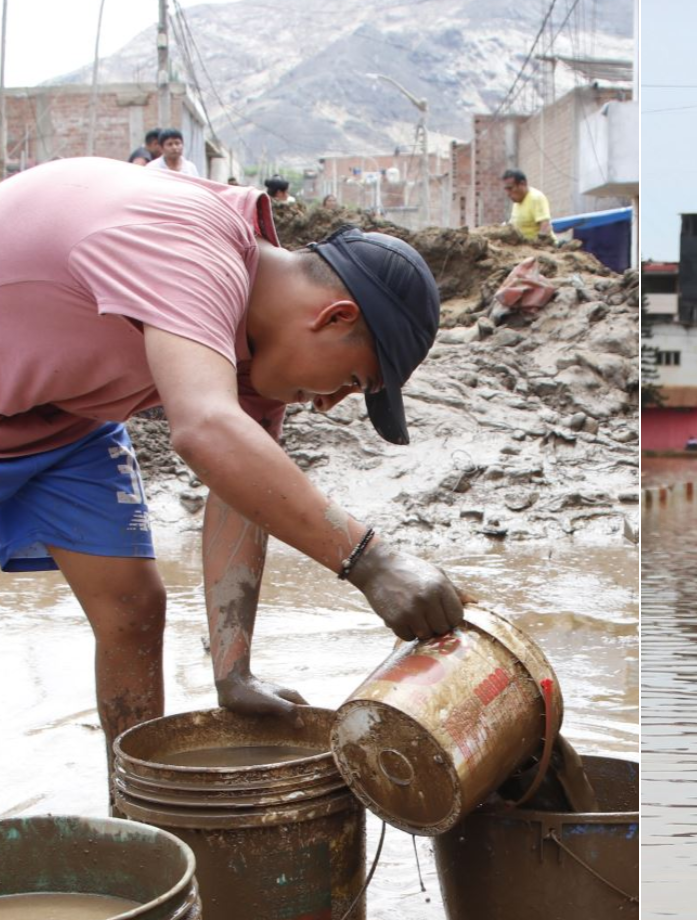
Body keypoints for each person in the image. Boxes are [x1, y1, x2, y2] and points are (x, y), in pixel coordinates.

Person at [0, 157, 463, 783]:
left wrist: (233, 670)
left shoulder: (253, 356)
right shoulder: (192, 246)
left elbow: (240, 488)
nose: (327, 404)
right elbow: (202, 429)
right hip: (28, 396)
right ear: (335, 317)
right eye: (352, 381)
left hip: (64, 418)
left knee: (134, 608)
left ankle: (137, 820)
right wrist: (371, 561)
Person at [501, 169, 552, 243]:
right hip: (523, 246)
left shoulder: (536, 198)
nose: (508, 193)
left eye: (510, 188)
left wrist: (539, 244)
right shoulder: (517, 203)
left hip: (538, 247)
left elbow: (545, 225)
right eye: (506, 189)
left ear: (522, 184)